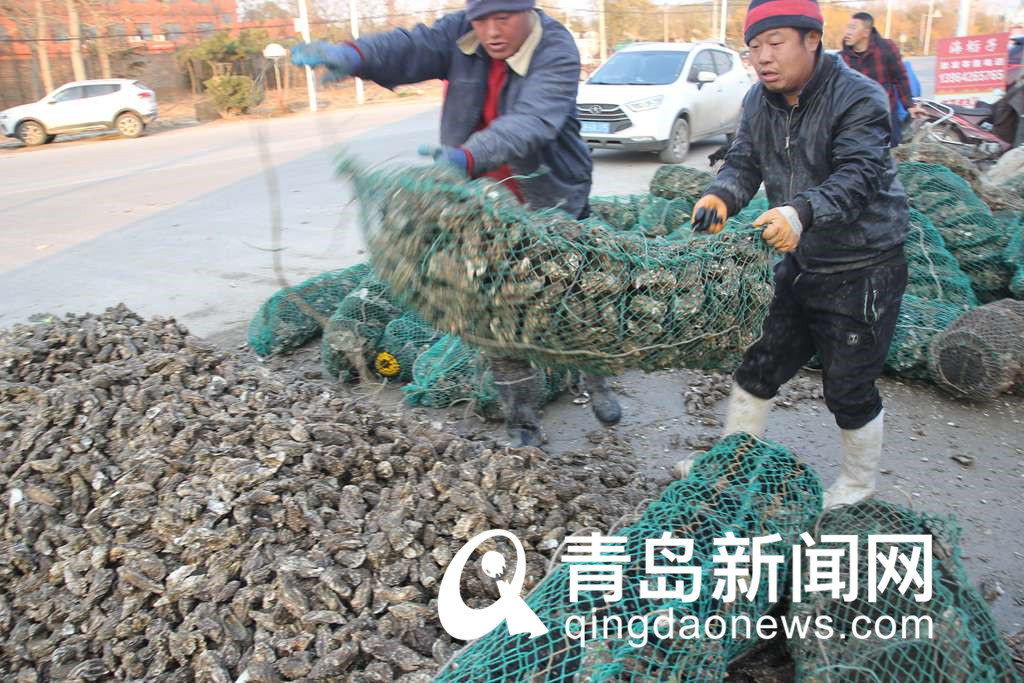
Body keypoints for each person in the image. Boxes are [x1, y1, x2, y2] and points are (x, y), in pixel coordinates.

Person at [291, 0, 622, 448]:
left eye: (503, 17)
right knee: (497, 316)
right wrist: (354, 55)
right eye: (481, 19)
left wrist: (466, 156)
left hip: (550, 199)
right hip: (479, 207)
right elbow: (411, 46)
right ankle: (521, 420)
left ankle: (597, 380)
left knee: (576, 299)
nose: (492, 31)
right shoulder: (462, 34)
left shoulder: (556, 48)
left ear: (529, 10)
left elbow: (532, 122)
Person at [686, 0, 909, 509]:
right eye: (754, 47)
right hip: (802, 258)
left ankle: (857, 485)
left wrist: (800, 213)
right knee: (759, 360)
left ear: (813, 39)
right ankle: (732, 462)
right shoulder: (758, 101)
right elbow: (743, 161)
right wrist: (721, 195)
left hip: (864, 266)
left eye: (775, 42)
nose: (762, 57)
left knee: (848, 386)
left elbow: (857, 177)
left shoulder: (858, 97)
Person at [841, 12, 914, 145]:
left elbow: (901, 78)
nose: (847, 32)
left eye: (852, 27)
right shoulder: (842, 58)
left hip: (886, 116)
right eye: (848, 27)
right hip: (857, 121)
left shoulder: (886, 48)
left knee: (891, 158)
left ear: (866, 32)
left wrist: (909, 105)